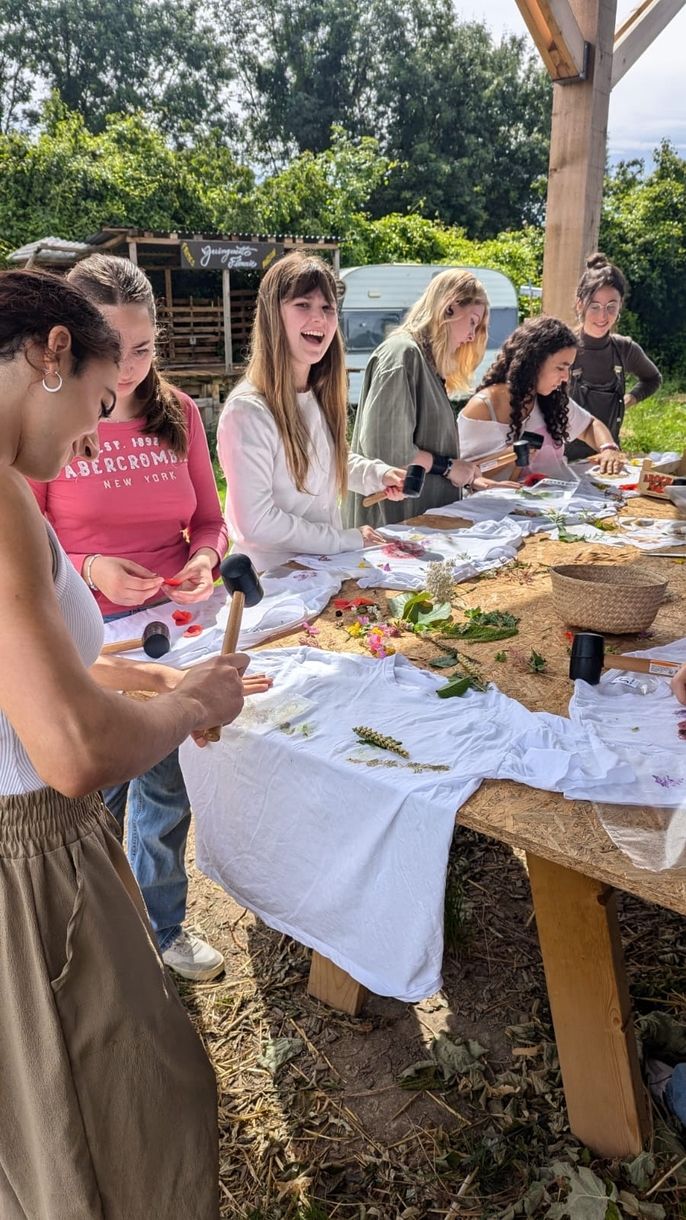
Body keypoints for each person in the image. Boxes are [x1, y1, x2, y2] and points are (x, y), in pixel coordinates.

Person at [0, 267, 252, 1217]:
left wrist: (162, 681)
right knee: (109, 1119)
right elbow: (67, 747)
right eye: (98, 404)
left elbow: (45, 677)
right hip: (29, 864)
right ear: (50, 353)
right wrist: (189, 714)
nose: (89, 438)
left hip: (34, 844)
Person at [30, 253, 230, 981]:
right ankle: (94, 947)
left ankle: (162, 926)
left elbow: (210, 520)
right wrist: (92, 570)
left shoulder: (178, 413)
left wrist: (204, 562)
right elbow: (31, 539)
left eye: (144, 350)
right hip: (88, 637)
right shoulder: (54, 416)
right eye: (112, 352)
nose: (127, 372)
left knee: (166, 789)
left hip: (171, 630)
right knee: (98, 799)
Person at [217, 252, 406, 573]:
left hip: (324, 573)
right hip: (274, 583)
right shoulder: (247, 411)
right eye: (303, 305)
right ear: (272, 316)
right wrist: (344, 539)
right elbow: (257, 522)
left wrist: (379, 475)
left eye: (327, 308)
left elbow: (328, 460)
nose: (319, 318)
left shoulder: (316, 394)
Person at [345, 269, 505, 528]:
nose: (472, 336)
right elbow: (390, 453)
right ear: (450, 308)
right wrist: (449, 467)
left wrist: (465, 474)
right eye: (473, 322)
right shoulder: (402, 354)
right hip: (393, 527)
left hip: (419, 523)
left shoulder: (426, 361)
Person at [458, 316, 629, 479]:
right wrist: (513, 454)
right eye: (560, 368)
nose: (566, 377)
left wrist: (608, 448)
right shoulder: (484, 406)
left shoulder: (549, 399)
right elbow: (464, 475)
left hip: (555, 502)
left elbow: (589, 425)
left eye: (568, 368)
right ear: (534, 361)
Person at [566, 252, 661, 461]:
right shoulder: (562, 346)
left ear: (620, 306)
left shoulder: (625, 349)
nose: (603, 316)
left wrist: (629, 400)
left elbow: (653, 379)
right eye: (595, 306)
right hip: (562, 461)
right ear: (580, 304)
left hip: (608, 461)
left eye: (611, 306)